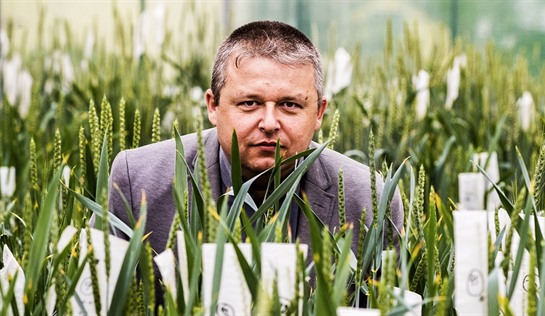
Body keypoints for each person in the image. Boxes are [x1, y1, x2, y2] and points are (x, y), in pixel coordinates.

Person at [108, 20, 403, 302]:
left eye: (290, 105)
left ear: (318, 113)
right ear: (213, 106)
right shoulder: (138, 182)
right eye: (250, 103)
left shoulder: (370, 199)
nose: (270, 122)